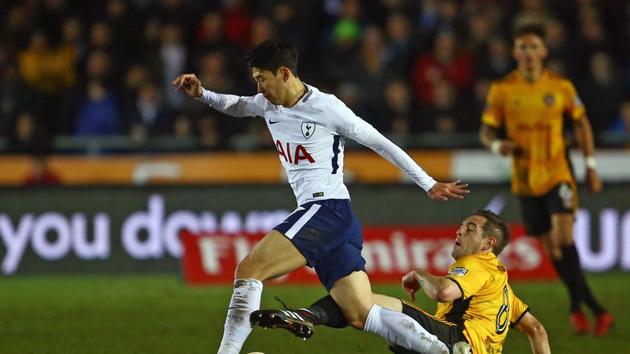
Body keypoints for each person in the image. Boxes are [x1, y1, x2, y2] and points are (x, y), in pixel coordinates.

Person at [173, 39, 469, 354]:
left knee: (248, 270)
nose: (258, 86)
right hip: (335, 218)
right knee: (360, 312)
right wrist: (203, 94)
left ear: (284, 73)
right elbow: (237, 105)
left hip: (326, 209)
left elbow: (379, 141)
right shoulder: (267, 104)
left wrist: (427, 182)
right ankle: (445, 351)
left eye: (262, 78)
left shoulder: (326, 108)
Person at [252, 210, 550, 354]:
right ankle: (307, 315)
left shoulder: (478, 264)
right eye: (460, 226)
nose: (459, 232)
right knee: (364, 302)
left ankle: (438, 349)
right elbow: (536, 330)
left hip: (458, 342)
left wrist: (420, 274)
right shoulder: (504, 290)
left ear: (488, 244)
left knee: (372, 307)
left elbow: (445, 292)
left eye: (469, 229)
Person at [478, 22, 613, 335]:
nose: (528, 52)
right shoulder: (502, 90)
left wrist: (590, 165)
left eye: (533, 46)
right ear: (514, 52)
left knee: (564, 238)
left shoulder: (560, 87)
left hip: (557, 173)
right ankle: (586, 306)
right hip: (525, 180)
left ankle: (588, 309)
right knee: (552, 250)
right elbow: (486, 131)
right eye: (522, 47)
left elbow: (582, 125)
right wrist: (498, 144)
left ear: (544, 52)